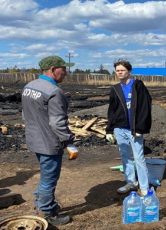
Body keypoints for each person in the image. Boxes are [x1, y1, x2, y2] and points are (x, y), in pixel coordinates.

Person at [21, 56, 74, 226]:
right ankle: (47, 211)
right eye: (63, 69)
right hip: (49, 142)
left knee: (45, 174)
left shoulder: (29, 86)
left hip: (34, 139)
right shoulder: (54, 91)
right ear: (53, 69)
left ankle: (40, 201)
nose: (66, 72)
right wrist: (69, 140)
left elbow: (25, 114)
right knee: (50, 177)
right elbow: (57, 123)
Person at [105, 59, 152, 196]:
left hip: (134, 129)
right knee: (125, 156)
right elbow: (112, 110)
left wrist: (140, 128)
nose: (120, 72)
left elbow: (145, 106)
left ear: (129, 71)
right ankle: (130, 182)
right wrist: (109, 129)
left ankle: (144, 187)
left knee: (139, 158)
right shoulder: (115, 89)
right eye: (117, 70)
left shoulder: (138, 85)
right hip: (120, 129)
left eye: (122, 70)